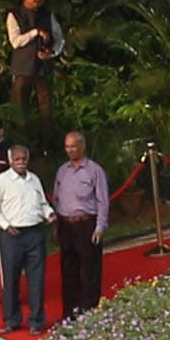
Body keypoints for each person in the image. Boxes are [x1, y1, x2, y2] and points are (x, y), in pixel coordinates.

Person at [0, 143, 53, 333]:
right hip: (12, 236)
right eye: (17, 159)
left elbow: (42, 203)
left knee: (36, 279)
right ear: (10, 160)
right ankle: (11, 320)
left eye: (24, 159)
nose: (21, 163)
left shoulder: (34, 180)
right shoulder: (1, 181)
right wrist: (5, 225)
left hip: (35, 233)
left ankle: (36, 321)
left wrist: (49, 214)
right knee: (11, 279)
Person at [50, 128, 113, 321]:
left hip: (87, 224)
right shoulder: (62, 170)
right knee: (68, 271)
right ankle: (70, 313)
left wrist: (100, 227)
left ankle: (89, 312)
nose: (70, 150)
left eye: (74, 146)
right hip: (66, 226)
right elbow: (56, 198)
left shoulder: (94, 170)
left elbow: (103, 200)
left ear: (82, 147)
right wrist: (56, 227)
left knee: (90, 271)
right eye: (67, 147)